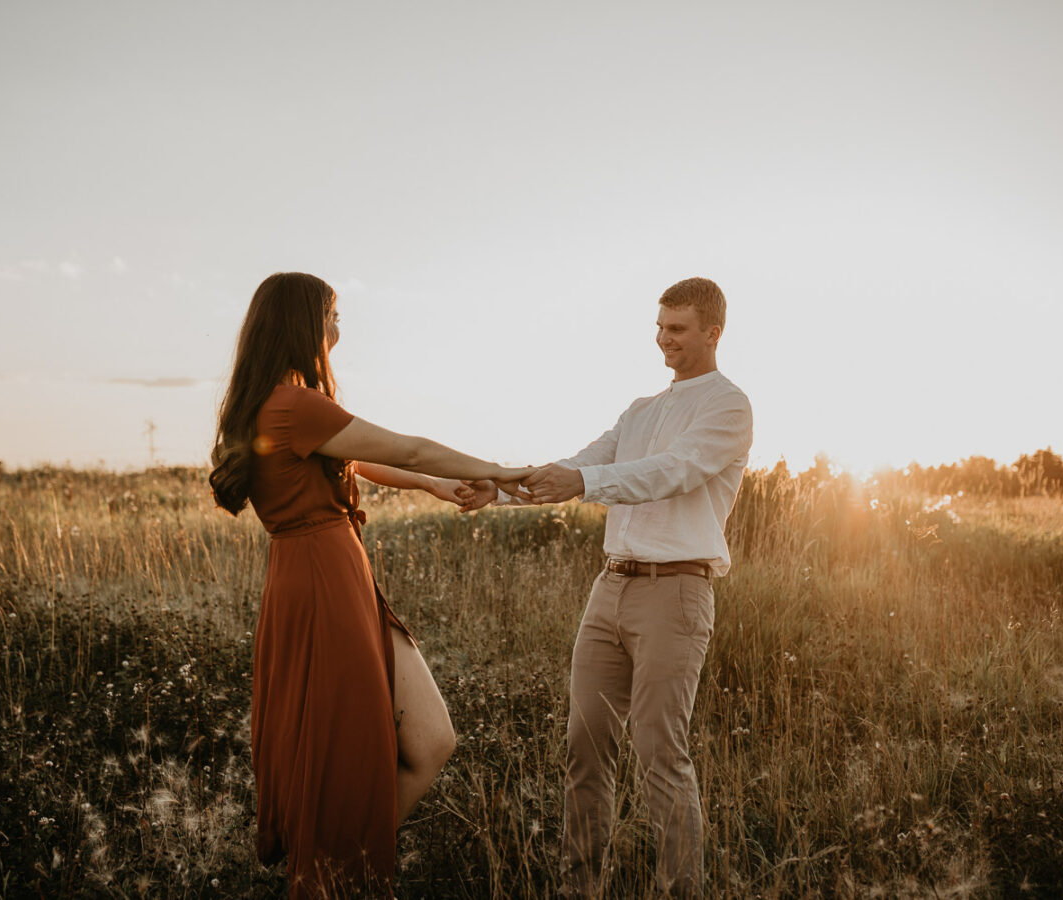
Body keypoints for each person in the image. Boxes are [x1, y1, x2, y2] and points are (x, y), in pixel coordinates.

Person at [209, 272, 531, 899]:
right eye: (331, 315)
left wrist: (434, 486)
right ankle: (327, 880)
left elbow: (358, 459)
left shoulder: (289, 404)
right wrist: (496, 469)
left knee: (431, 740)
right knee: (342, 745)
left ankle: (332, 873)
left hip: (334, 574)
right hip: (321, 583)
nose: (338, 328)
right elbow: (403, 445)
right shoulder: (292, 405)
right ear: (303, 323)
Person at [459, 277, 753, 898]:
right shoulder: (640, 409)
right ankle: (579, 888)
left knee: (659, 756)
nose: (662, 338)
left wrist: (584, 482)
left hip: (676, 594)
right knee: (585, 747)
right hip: (609, 589)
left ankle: (682, 891)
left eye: (676, 328)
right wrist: (501, 488)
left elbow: (669, 473)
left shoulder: (727, 405)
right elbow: (580, 464)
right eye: (660, 326)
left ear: (712, 333)